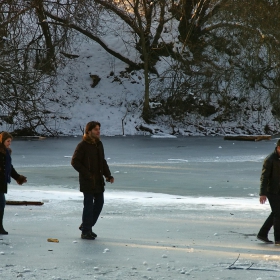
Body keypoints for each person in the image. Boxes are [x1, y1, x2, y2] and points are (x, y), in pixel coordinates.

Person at [71, 121, 114, 240]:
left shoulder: (99, 144)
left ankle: (87, 226)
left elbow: (102, 161)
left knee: (99, 203)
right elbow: (75, 162)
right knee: (89, 206)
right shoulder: (82, 145)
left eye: (99, 129)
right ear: (89, 131)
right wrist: (87, 174)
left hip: (98, 180)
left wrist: (108, 175)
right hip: (88, 180)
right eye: (95, 129)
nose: (98, 131)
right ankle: (86, 231)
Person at [0, 132, 27, 234]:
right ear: (2, 141)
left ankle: (0, 226)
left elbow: (9, 168)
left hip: (2, 182)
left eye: (10, 141)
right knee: (1, 203)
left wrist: (18, 177)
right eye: (8, 141)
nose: (9, 143)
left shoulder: (6, 153)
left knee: (1, 204)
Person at [257, 139, 280, 245]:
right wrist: (262, 193)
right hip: (272, 191)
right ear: (278, 147)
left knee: (276, 212)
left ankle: (262, 233)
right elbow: (264, 177)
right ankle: (278, 239)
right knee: (278, 214)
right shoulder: (270, 159)